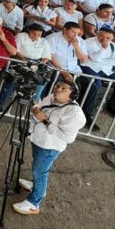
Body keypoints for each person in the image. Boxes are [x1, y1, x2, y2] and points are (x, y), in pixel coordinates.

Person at [12, 79, 86, 216]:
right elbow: (39, 107)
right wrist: (35, 109)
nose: (58, 89)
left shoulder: (74, 113)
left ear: (72, 94)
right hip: (38, 139)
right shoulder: (52, 97)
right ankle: (36, 186)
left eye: (63, 89)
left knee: (40, 172)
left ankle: (34, 203)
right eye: (57, 86)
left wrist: (45, 120)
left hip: (49, 147)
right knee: (37, 168)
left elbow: (68, 138)